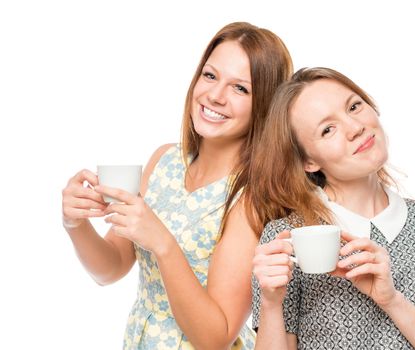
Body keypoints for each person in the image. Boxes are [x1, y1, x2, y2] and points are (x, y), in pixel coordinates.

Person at [61, 22, 293, 349]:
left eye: (240, 88)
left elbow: (215, 338)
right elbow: (111, 269)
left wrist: (163, 243)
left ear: (265, 105)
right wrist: (76, 223)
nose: (215, 95)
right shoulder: (164, 160)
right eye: (210, 76)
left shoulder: (250, 196)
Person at [247, 67, 415, 349]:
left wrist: (391, 300)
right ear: (309, 162)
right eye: (327, 129)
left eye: (354, 106)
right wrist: (271, 304)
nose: (355, 127)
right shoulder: (288, 239)